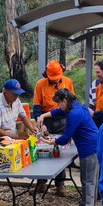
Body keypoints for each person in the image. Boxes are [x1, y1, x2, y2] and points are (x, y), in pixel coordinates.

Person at [37, 89, 99, 206]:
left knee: (88, 181)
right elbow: (60, 111)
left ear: (64, 101)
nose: (58, 107)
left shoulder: (74, 114)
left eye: (59, 103)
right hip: (94, 146)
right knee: (91, 180)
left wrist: (51, 141)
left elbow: (65, 138)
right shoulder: (76, 105)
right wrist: (44, 115)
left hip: (89, 149)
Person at [0, 79, 38, 206]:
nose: (17, 96)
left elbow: (23, 115)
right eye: (14, 93)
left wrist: (31, 127)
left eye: (18, 94)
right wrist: (15, 136)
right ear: (5, 92)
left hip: (7, 134)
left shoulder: (15, 100)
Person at [32, 60, 75, 196]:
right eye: (53, 79)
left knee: (60, 151)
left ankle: (60, 185)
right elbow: (36, 108)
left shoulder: (67, 82)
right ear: (47, 75)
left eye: (58, 79)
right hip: (47, 120)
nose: (56, 82)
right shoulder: (40, 85)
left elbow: (73, 104)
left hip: (63, 120)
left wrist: (70, 122)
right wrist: (41, 124)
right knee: (42, 150)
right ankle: (41, 182)